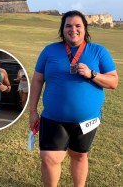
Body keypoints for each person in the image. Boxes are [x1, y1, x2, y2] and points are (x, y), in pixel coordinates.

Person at [29, 10, 118, 187]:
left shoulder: (98, 51)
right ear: (62, 29)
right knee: (49, 157)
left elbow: (113, 81)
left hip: (87, 120)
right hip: (53, 118)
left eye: (78, 26)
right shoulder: (49, 51)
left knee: (79, 155)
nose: (73, 29)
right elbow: (38, 80)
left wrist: (92, 74)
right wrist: (32, 112)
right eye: (68, 25)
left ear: (85, 28)